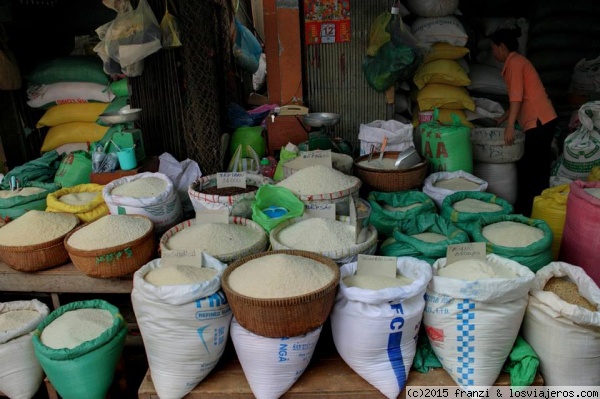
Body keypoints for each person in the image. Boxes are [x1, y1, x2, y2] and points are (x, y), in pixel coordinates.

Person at [490, 28, 558, 217]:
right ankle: (540, 208)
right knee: (538, 167)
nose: (492, 52)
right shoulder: (516, 62)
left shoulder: (515, 63)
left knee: (531, 168)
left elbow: (517, 96)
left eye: (493, 48)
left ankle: (529, 210)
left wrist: (510, 126)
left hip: (539, 122)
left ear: (502, 47)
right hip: (544, 121)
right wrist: (504, 117)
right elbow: (518, 97)